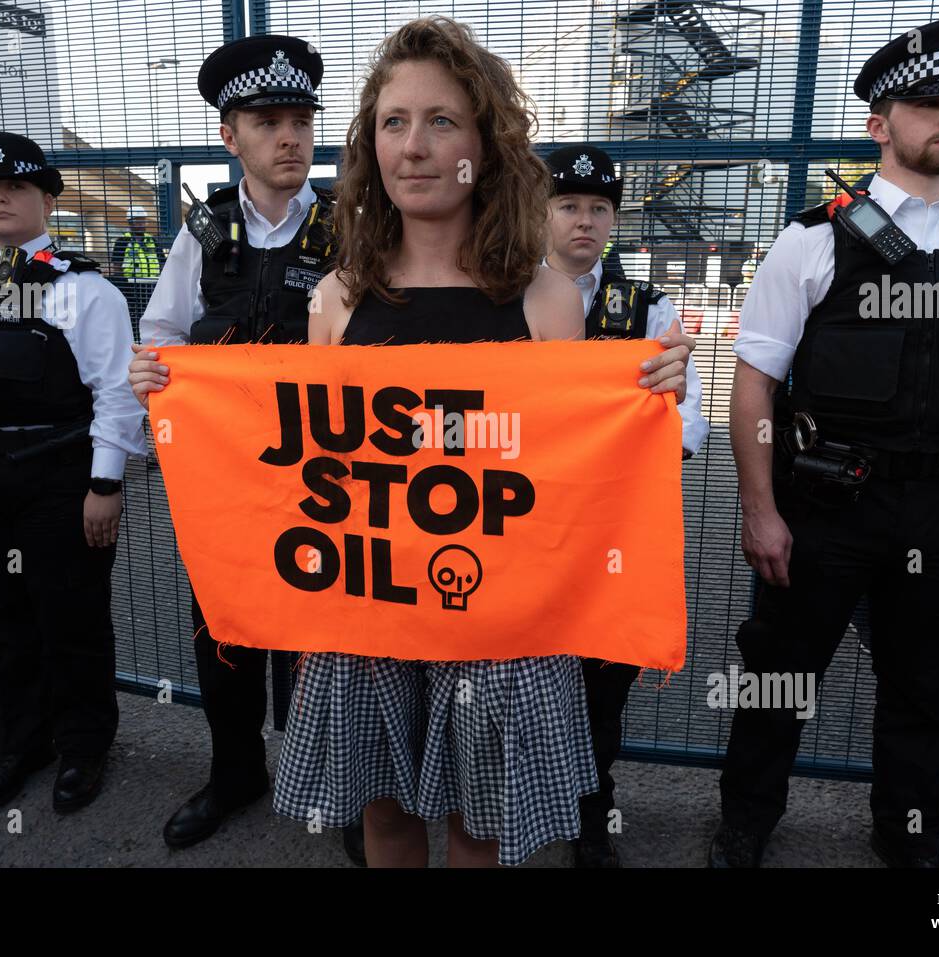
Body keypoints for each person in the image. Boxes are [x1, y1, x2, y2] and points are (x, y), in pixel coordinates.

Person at [272, 15, 697, 868]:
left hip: (504, 615)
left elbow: (572, 470)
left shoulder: (545, 301)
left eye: (442, 121)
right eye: (394, 122)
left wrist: (647, 400)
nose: (416, 147)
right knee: (385, 812)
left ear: (484, 143)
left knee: (482, 820)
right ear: (369, 145)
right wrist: (174, 396)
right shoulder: (336, 299)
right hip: (373, 609)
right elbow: (318, 461)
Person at [711, 17, 939, 868]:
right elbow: (754, 385)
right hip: (825, 501)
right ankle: (745, 821)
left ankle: (910, 835)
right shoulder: (812, 239)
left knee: (931, 687)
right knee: (778, 679)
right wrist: (760, 510)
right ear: (880, 123)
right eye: (929, 100)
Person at [125, 35, 361, 856]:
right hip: (223, 486)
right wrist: (154, 375)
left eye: (300, 120)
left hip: (325, 484)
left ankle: (337, 781)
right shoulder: (204, 234)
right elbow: (158, 335)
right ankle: (236, 773)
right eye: (268, 122)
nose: (290, 137)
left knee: (327, 638)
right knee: (223, 635)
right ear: (232, 138)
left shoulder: (349, 230)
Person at [0, 131, 145, 813]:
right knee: (2, 619)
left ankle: (83, 744)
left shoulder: (84, 290)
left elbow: (117, 394)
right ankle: (22, 741)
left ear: (47, 198)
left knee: (70, 616)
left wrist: (105, 485)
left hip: (57, 480)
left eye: (13, 187)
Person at [542, 142, 710, 867]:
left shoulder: (648, 307)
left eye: (599, 209)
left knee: (601, 683)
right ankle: (501, 799)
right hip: (525, 526)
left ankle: (591, 809)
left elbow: (691, 424)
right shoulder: (501, 296)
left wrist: (664, 402)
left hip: (612, 531)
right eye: (569, 206)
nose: (585, 222)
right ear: (542, 213)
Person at [111, 207, 166, 280]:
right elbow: (117, 268)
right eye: (138, 222)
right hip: (132, 287)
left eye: (143, 222)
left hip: (153, 285)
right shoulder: (122, 241)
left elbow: (162, 264)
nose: (142, 225)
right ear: (130, 223)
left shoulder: (152, 240)